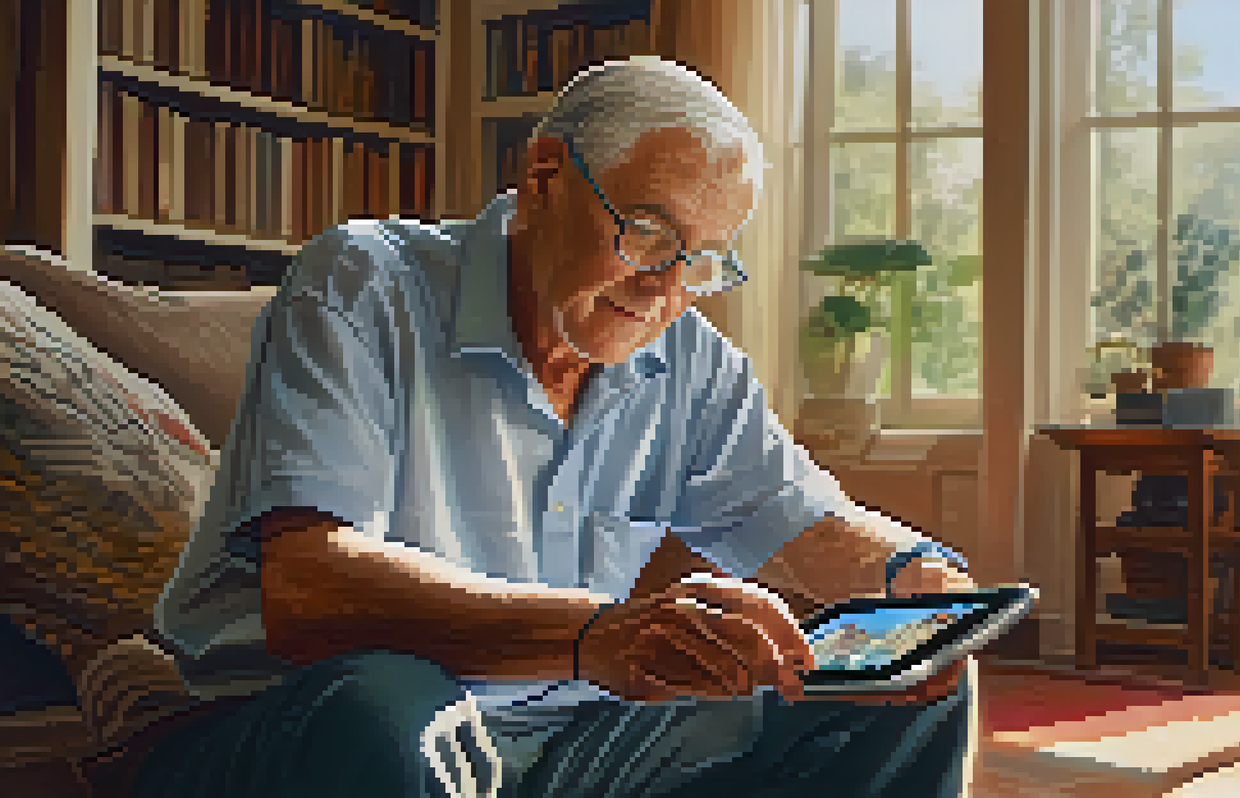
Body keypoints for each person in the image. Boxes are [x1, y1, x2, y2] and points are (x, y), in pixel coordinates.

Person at [132, 57, 980, 798]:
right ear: (544, 178)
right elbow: (308, 589)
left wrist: (920, 579)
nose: (668, 287)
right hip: (313, 724)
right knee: (390, 703)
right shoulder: (364, 282)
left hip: (566, 737)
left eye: (705, 258)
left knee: (909, 692)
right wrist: (595, 635)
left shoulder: (691, 359)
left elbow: (804, 522)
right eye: (649, 232)